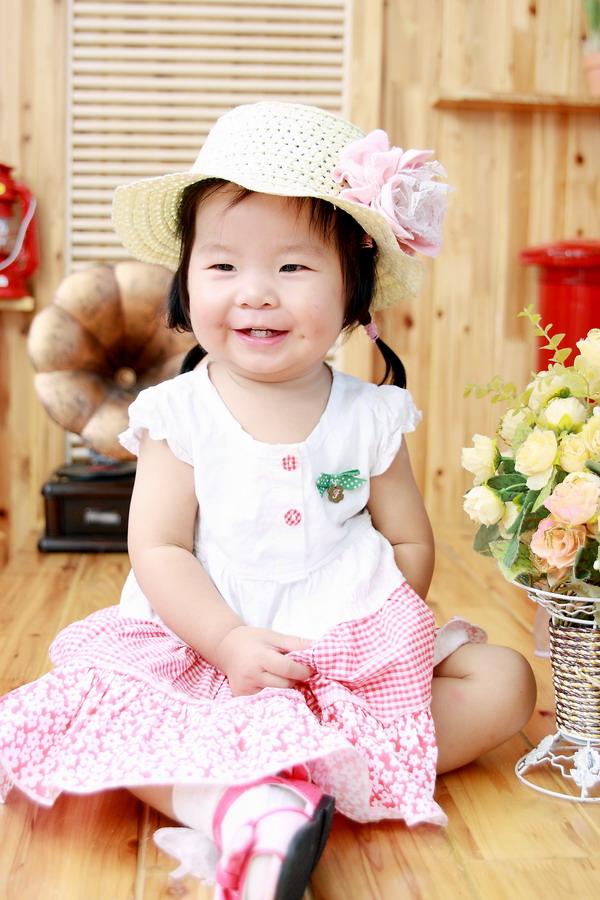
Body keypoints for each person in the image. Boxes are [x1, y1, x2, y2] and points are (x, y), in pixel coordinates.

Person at [0, 102, 537, 900]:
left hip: (339, 653)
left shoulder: (372, 415)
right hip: (204, 645)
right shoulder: (179, 413)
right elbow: (159, 548)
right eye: (222, 267)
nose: (255, 294)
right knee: (107, 712)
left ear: (353, 290)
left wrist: (374, 639)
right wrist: (228, 643)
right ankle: (247, 807)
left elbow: (410, 542)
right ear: (186, 281)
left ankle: (291, 774)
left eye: (292, 268)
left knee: (505, 682)